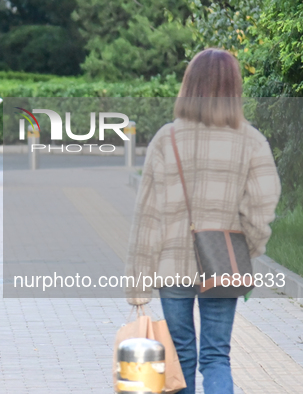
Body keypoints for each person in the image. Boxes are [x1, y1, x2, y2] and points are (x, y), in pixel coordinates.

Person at [125, 48, 281, 394]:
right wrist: (246, 247)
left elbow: (147, 216)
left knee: (180, 357)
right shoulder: (251, 141)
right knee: (216, 355)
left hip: (173, 265)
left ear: (189, 85)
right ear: (234, 88)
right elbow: (263, 204)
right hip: (224, 261)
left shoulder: (166, 138)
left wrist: (138, 284)